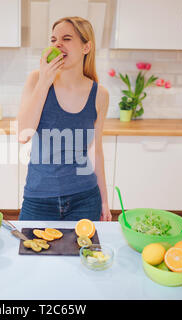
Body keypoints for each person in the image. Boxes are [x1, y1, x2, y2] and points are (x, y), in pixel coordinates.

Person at [17, 16, 111, 222]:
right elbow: (23, 134)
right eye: (53, 40)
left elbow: (96, 150)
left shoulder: (100, 94)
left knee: (83, 254)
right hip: (38, 197)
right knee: (29, 253)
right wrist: (44, 82)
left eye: (66, 38)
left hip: (85, 198)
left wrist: (104, 200)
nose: (57, 44)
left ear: (86, 47)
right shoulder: (36, 79)